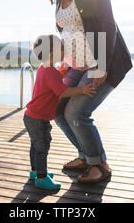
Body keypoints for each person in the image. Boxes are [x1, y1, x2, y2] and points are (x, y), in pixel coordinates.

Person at [36, 0, 133, 183]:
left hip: (99, 63)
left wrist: (101, 66)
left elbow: (107, 27)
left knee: (76, 112)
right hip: (75, 66)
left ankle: (100, 165)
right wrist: (62, 63)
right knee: (58, 110)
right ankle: (85, 156)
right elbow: (69, 33)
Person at [24, 34, 96, 190]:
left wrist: (61, 74)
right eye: (61, 48)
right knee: (42, 147)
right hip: (38, 118)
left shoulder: (44, 68)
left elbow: (52, 83)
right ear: (52, 54)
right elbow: (62, 92)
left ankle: (35, 171)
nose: (64, 51)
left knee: (35, 146)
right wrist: (82, 89)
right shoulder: (51, 72)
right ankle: (41, 178)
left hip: (31, 116)